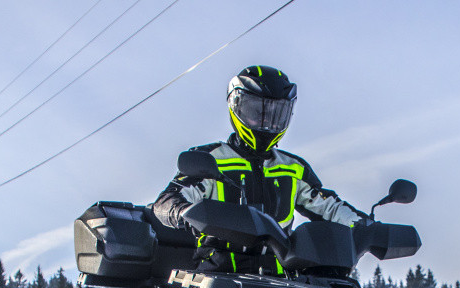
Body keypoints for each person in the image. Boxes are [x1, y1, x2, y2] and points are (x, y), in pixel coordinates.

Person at [151, 65, 366, 274]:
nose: (266, 121)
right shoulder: (213, 159)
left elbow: (329, 207)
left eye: (276, 114)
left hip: (278, 281)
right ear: (236, 107)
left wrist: (366, 228)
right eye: (257, 111)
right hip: (219, 276)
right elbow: (166, 201)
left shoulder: (293, 168)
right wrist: (188, 214)